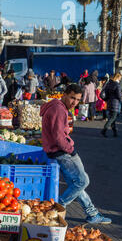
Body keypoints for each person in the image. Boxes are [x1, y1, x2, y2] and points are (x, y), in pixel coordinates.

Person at [40, 83, 111, 224]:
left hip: (57, 151)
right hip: (62, 152)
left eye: (78, 99)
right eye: (72, 98)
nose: (75, 102)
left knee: (76, 184)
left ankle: (92, 213)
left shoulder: (56, 106)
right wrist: (70, 150)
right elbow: (58, 137)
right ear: (65, 94)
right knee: (83, 181)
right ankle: (58, 206)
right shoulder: (58, 109)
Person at [101, 72, 122, 138]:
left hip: (109, 102)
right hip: (115, 103)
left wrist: (107, 99)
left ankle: (115, 132)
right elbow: (119, 95)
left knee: (112, 118)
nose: (120, 79)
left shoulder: (109, 83)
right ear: (118, 77)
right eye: (120, 78)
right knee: (112, 118)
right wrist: (121, 98)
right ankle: (104, 130)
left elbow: (106, 93)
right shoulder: (117, 85)